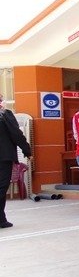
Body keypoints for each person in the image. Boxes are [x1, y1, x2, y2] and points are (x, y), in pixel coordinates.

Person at [0, 93, 32, 228]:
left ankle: (1, 219)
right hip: (3, 157)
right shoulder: (5, 115)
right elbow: (16, 134)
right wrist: (27, 151)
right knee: (1, 187)